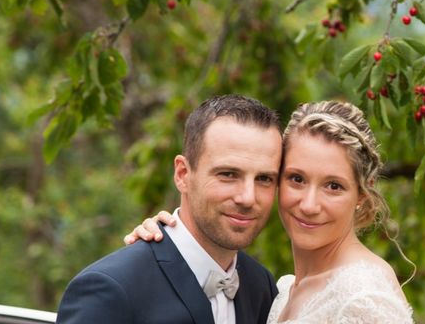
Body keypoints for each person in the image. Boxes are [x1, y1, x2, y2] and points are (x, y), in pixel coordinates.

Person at [129, 100, 415, 323]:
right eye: (297, 179)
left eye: (333, 186)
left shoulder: (365, 297)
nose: (309, 205)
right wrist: (170, 243)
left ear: (362, 196)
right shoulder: (279, 289)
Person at [56, 95, 284, 324]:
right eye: (228, 174)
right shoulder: (111, 289)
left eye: (264, 178)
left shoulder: (261, 285)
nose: (247, 197)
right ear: (183, 174)